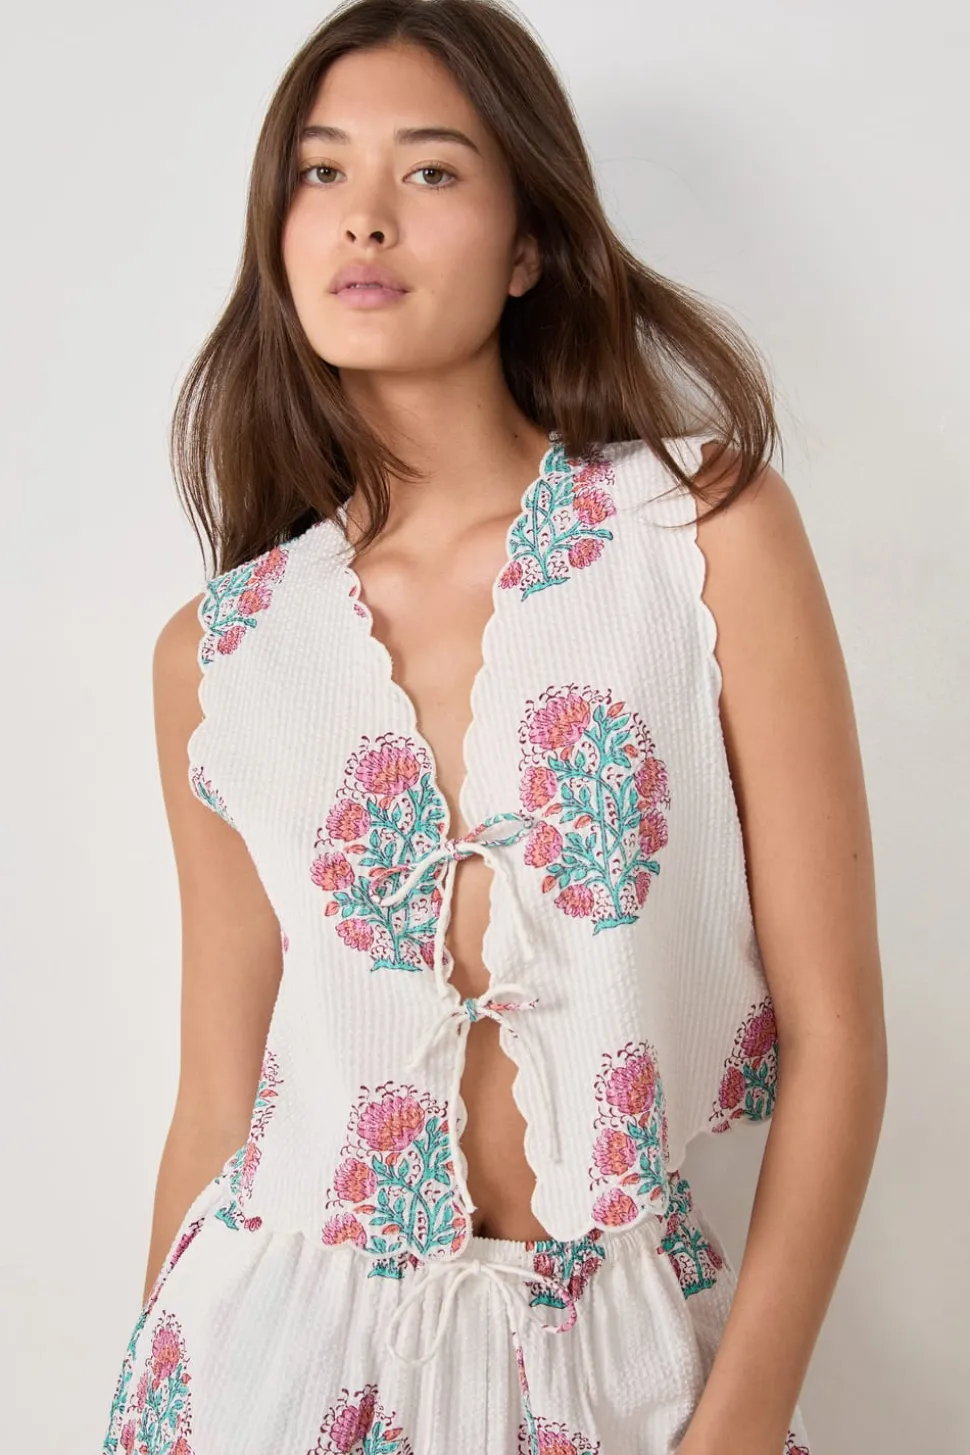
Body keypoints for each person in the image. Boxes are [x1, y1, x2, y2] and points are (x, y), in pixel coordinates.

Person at [99, 2, 887, 1452]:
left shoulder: (698, 532)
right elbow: (216, 1095)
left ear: (528, 247)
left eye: (431, 170)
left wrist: (741, 1421)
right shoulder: (220, 654)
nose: (366, 217)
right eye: (321, 172)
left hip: (626, 1364)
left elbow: (835, 1031)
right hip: (271, 1358)